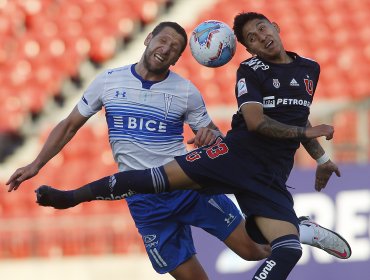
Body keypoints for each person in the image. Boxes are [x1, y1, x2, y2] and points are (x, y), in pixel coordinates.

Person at [7, 19, 351, 279]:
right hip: (143, 200)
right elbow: (69, 125)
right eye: (163, 41)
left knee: (252, 253)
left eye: (175, 48)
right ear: (148, 39)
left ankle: (297, 229)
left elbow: (216, 137)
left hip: (188, 186)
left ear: (179, 58)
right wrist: (37, 163)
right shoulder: (107, 81)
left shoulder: (185, 92)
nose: (167, 49)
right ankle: (293, 229)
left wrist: (208, 138)